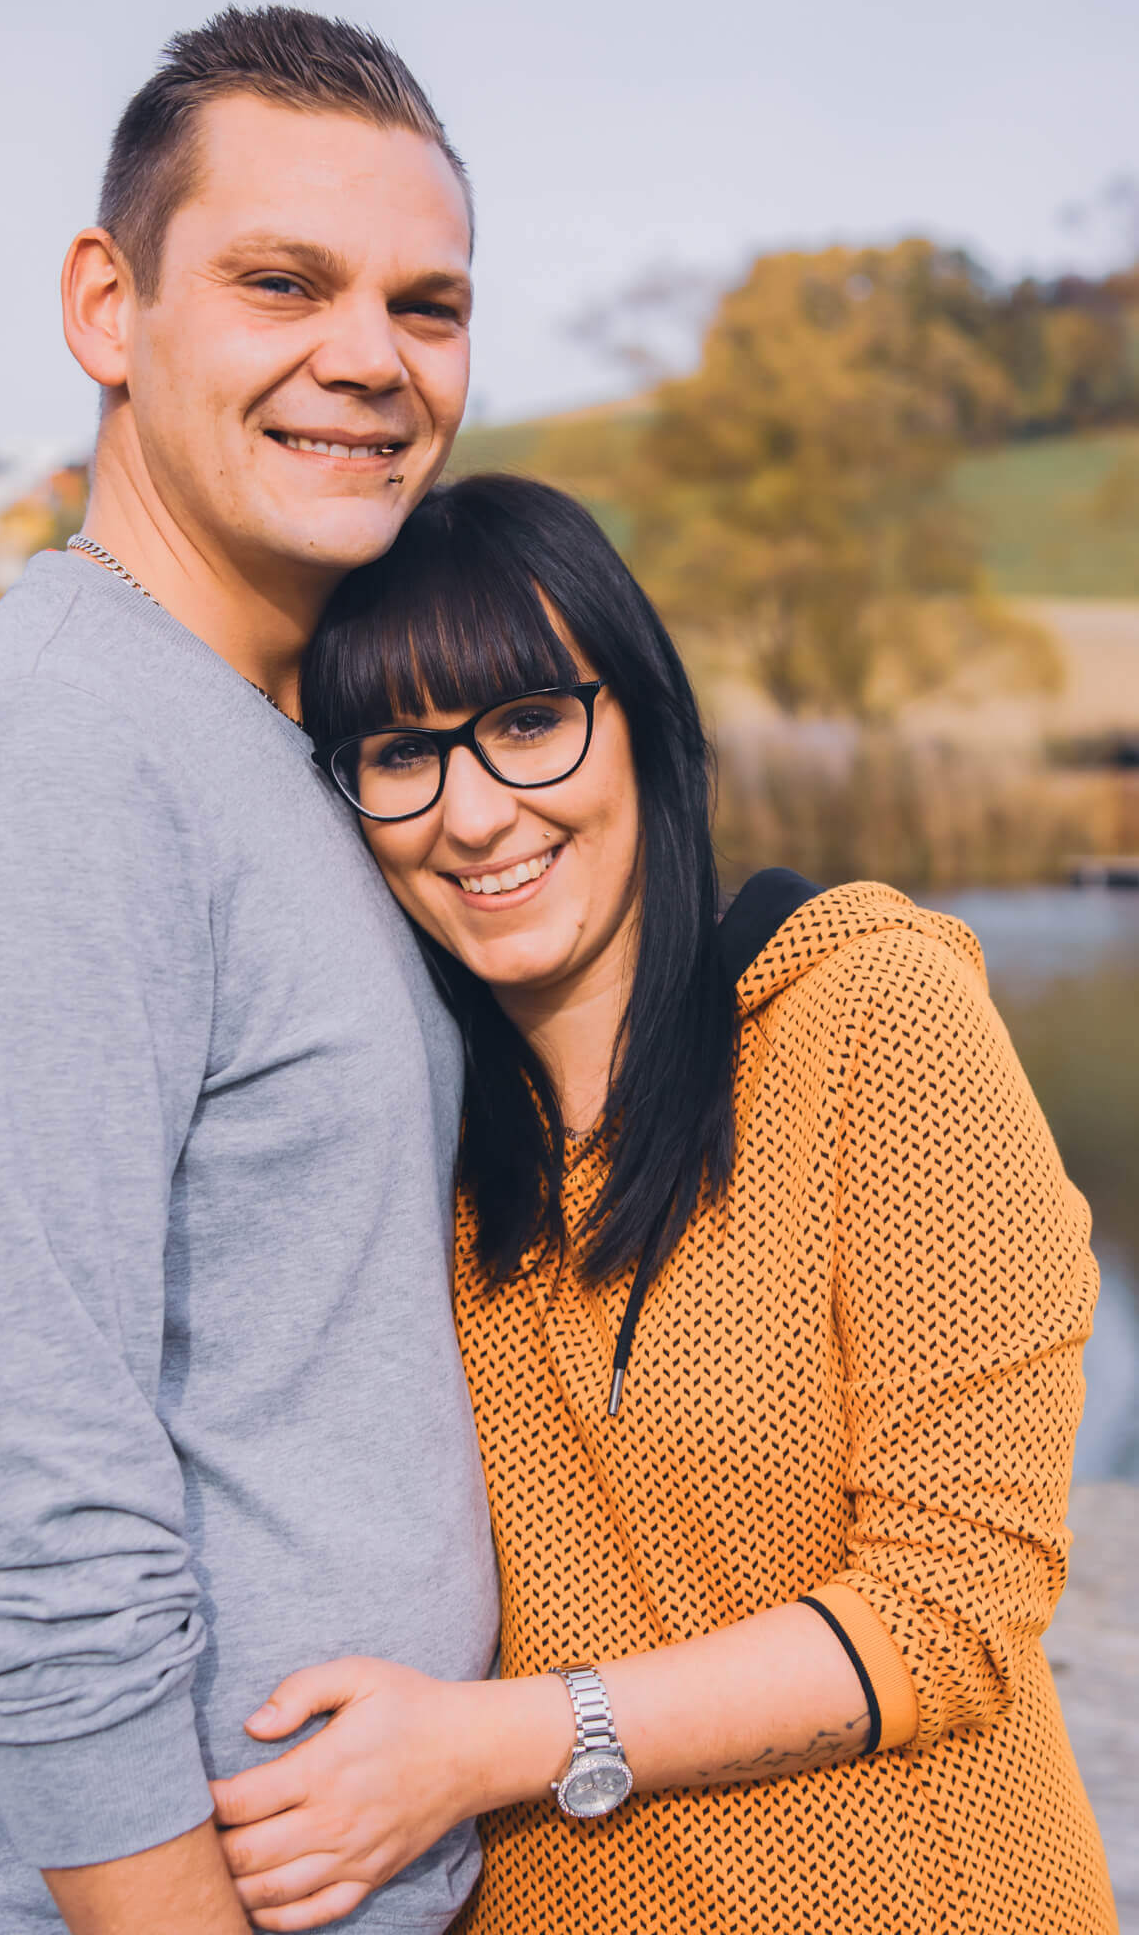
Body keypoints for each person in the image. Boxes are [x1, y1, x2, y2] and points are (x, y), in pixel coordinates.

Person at [0, 8, 499, 1935]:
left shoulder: (270, 742)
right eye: (282, 281)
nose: (365, 355)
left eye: (424, 303)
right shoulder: (44, 755)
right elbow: (26, 1490)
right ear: (106, 308)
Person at [211, 472, 1118, 1935]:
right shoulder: (407, 1141)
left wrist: (483, 1745)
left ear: (640, 718)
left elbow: (954, 1608)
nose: (475, 812)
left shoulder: (866, 1021)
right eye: (399, 753)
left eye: (525, 723)